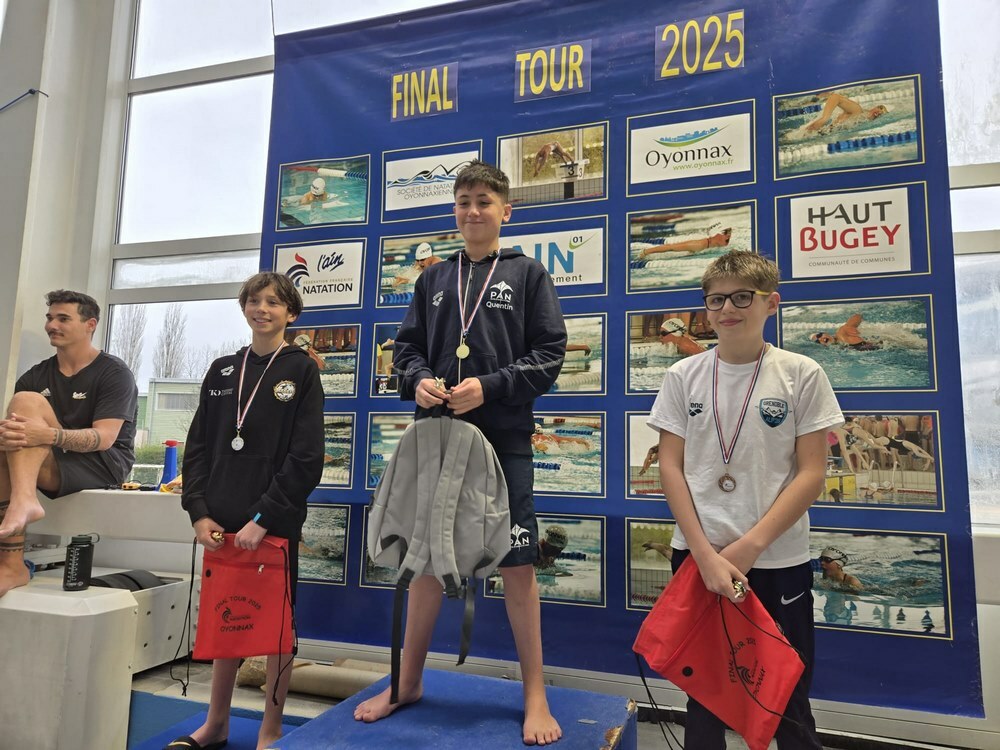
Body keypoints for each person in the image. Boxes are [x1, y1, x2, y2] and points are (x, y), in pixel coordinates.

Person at [353, 160, 566, 746]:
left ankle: (535, 695)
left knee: (517, 564)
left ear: (505, 211)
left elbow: (550, 354)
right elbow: (407, 350)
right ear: (454, 209)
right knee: (423, 558)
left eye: (484, 201)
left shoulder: (528, 274)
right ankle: (407, 682)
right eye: (464, 201)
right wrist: (418, 380)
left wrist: (491, 387)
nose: (473, 210)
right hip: (437, 436)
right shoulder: (434, 278)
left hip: (504, 437)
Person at [648, 250, 843, 749]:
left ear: (770, 303)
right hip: (699, 557)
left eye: (741, 297)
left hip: (776, 559)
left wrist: (750, 546)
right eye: (715, 300)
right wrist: (705, 555)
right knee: (704, 693)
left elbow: (812, 473)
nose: (727, 309)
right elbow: (670, 467)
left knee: (786, 693)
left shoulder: (801, 373)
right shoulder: (683, 376)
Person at [175, 272, 324, 750]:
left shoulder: (302, 369)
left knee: (276, 630)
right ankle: (216, 723)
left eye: (274, 302)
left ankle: (270, 730)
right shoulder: (222, 369)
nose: (262, 309)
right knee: (227, 620)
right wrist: (198, 512)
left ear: (291, 313)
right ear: (244, 308)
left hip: (272, 523)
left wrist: (263, 518)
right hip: (220, 524)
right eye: (254, 301)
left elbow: (307, 457)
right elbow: (198, 448)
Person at [0, 290, 137, 597]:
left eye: (63, 319)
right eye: (50, 318)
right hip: (51, 458)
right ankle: (11, 563)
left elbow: (104, 439)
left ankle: (23, 506)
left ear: (90, 324)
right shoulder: (36, 375)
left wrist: (48, 436)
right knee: (7, 442)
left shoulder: (114, 373)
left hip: (103, 463)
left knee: (26, 401)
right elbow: (23, 434)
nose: (52, 325)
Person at [805, 92, 888, 132]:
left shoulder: (862, 121)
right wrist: (825, 118)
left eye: (882, 113)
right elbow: (835, 97)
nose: (880, 112)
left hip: (824, 132)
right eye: (880, 108)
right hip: (818, 131)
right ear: (874, 107)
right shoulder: (857, 110)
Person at [637, 227, 732, 259]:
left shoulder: (714, 245)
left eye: (729, 235)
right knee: (672, 247)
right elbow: (670, 247)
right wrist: (646, 252)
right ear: (716, 235)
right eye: (726, 235)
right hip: (692, 249)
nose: (728, 237)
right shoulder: (698, 245)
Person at [809, 312, 882, 350]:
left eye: (819, 335)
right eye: (818, 341)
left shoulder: (841, 332)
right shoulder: (838, 347)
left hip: (882, 344)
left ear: (825, 333)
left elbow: (858, 316)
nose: (820, 339)